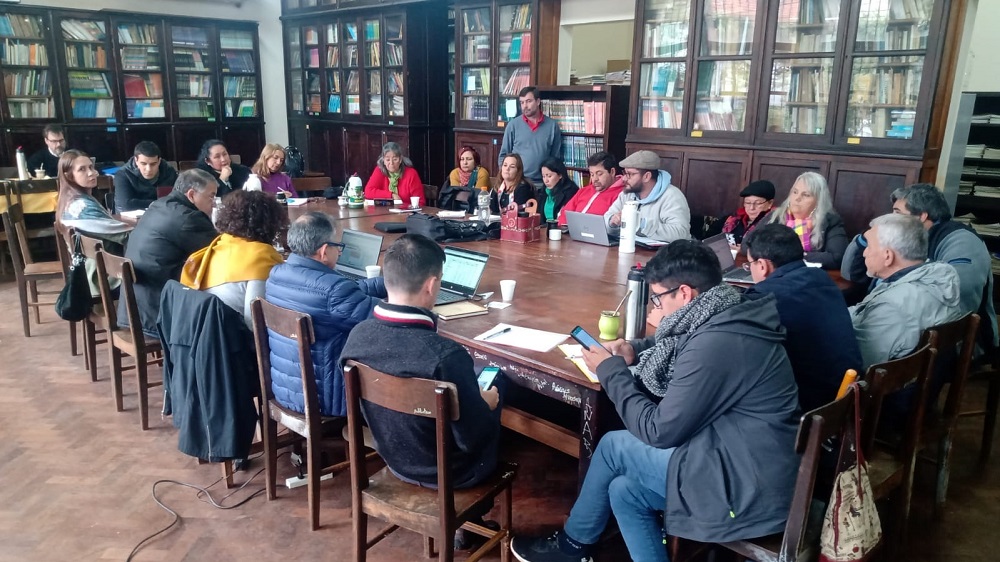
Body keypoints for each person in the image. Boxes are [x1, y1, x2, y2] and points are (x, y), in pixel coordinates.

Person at [511, 240, 799, 562]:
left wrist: (610, 372)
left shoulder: (717, 344)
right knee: (624, 491)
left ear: (685, 293)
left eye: (658, 298)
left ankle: (573, 547)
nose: (655, 307)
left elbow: (659, 431)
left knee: (613, 447)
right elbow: (682, 341)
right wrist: (634, 349)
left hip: (746, 487)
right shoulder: (728, 310)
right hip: (749, 461)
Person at [341, 234, 501, 548]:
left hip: (392, 458)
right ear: (431, 285)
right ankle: (471, 520)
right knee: (497, 391)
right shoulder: (445, 356)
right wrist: (487, 405)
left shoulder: (358, 337)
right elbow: (472, 439)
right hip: (452, 474)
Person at [841, 183, 997, 350]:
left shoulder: (961, 239)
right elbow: (849, 273)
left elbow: (958, 295)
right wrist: (870, 238)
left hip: (958, 346)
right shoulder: (900, 243)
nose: (891, 218)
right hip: (898, 331)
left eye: (897, 213)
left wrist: (897, 309)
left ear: (922, 216)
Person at [265, 212, 387, 417]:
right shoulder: (334, 291)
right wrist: (411, 294)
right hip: (328, 399)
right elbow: (386, 320)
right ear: (323, 251)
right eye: (338, 246)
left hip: (287, 390)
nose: (339, 251)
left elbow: (338, 295)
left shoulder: (276, 276)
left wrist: (391, 282)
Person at [743, 224, 863, 412]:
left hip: (811, 405)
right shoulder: (821, 277)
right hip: (847, 393)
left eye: (750, 264)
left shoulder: (763, 298)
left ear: (763, 266)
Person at [850, 213, 963, 371]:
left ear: (888, 256)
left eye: (869, 246)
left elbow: (857, 364)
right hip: (925, 379)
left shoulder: (891, 307)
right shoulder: (936, 279)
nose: (864, 253)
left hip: (887, 385)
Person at [119, 169, 218, 338]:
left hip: (133, 310)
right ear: (191, 195)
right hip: (159, 315)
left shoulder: (158, 205)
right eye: (211, 196)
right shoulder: (188, 218)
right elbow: (221, 253)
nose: (214, 203)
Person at [180, 189, 285, 328]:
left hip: (199, 330)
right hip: (230, 336)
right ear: (270, 223)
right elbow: (254, 322)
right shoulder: (261, 256)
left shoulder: (219, 244)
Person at [764, 171, 847, 269]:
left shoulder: (830, 221)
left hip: (808, 274)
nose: (797, 198)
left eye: (806, 195)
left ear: (819, 201)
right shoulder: (776, 215)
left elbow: (836, 257)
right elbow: (750, 245)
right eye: (795, 192)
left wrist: (790, 256)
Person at [604, 150, 690, 243]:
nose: (624, 178)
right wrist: (612, 223)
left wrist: (641, 224)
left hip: (663, 252)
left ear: (647, 176)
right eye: (624, 173)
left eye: (630, 174)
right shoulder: (627, 194)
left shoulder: (672, 196)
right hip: (631, 247)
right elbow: (606, 219)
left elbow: (680, 233)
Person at [56, 149, 132, 255]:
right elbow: (127, 236)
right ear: (69, 176)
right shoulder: (83, 208)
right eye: (82, 169)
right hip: (109, 264)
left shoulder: (69, 200)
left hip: (98, 261)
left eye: (91, 167)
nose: (91, 173)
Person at [497, 86, 562, 184]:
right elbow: (504, 155)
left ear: (538, 101)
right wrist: (507, 180)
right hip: (518, 182)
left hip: (543, 183)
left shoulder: (552, 126)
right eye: (522, 102)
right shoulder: (513, 125)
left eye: (528, 101)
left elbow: (555, 159)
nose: (525, 106)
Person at [557, 151, 625, 227]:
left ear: (612, 172)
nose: (595, 179)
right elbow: (565, 213)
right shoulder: (584, 191)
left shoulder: (621, 195)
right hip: (570, 232)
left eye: (599, 174)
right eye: (592, 174)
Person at [113, 141, 179, 212]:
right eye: (143, 164)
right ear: (136, 160)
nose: (148, 169)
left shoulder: (169, 172)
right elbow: (125, 205)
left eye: (153, 164)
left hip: (162, 214)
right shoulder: (123, 174)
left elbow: (178, 199)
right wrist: (159, 203)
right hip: (131, 217)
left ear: (159, 161)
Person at [363, 141, 425, 205]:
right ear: (383, 160)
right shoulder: (379, 170)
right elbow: (368, 192)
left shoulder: (411, 174)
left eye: (395, 159)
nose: (391, 163)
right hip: (385, 210)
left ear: (400, 160)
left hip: (406, 210)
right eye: (387, 160)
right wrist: (391, 195)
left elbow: (420, 202)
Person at [722, 179, 774, 249]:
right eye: (748, 202)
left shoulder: (774, 223)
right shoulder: (734, 219)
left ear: (770, 203)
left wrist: (745, 251)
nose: (752, 208)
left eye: (758, 203)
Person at [536, 157, 579, 224]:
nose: (546, 180)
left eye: (549, 176)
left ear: (560, 175)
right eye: (543, 176)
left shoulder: (571, 192)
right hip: (545, 228)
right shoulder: (543, 192)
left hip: (561, 228)